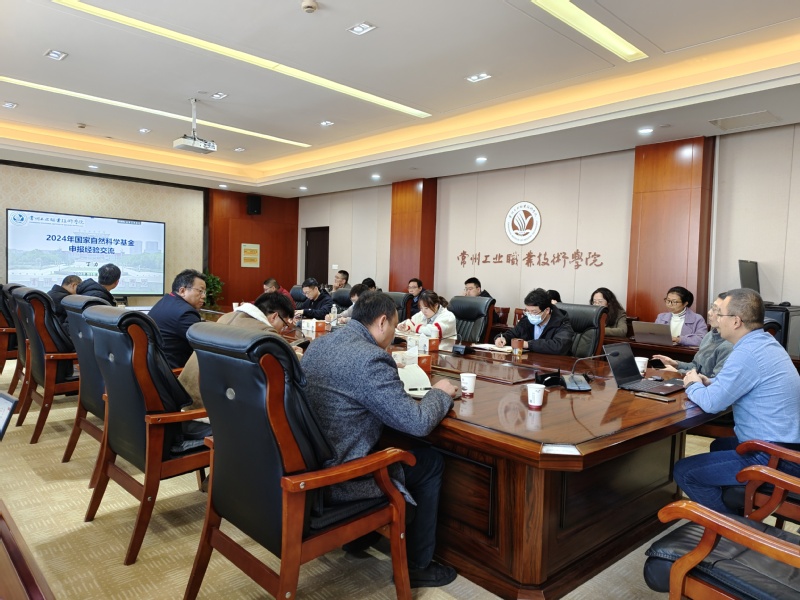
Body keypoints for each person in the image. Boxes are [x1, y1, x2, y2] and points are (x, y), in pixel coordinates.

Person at [302, 291, 458, 588]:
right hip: (338, 478)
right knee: (429, 462)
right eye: (395, 326)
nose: (393, 334)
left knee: (389, 443)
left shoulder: (320, 344)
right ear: (383, 321)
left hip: (312, 463)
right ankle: (417, 566)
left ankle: (360, 537)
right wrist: (439, 392)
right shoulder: (371, 358)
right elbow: (417, 423)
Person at [673, 288, 800, 514]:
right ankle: (736, 506)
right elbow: (743, 382)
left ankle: (730, 525)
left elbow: (712, 404)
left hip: (775, 456)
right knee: (719, 446)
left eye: (719, 313)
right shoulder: (764, 343)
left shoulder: (746, 353)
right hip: (786, 446)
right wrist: (710, 382)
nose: (715, 318)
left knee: (685, 471)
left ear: (736, 321)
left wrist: (692, 383)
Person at [179, 292, 295, 409]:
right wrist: (297, 353)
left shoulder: (226, 317)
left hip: (183, 399)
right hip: (204, 411)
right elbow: (290, 365)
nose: (282, 330)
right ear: (274, 316)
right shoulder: (265, 333)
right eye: (284, 324)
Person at [653, 292, 733, 377]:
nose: (709, 312)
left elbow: (714, 381)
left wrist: (678, 372)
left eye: (715, 309)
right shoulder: (709, 335)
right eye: (711, 307)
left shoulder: (731, 345)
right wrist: (675, 364)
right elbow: (696, 366)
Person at [148, 269, 206, 369]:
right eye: (200, 291)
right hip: (173, 372)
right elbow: (205, 344)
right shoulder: (186, 313)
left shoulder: (166, 300)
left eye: (204, 292)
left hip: (155, 366)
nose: (204, 296)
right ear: (182, 291)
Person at [494, 288, 574, 355]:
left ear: (547, 310)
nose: (530, 315)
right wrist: (502, 338)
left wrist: (528, 344)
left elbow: (559, 346)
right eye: (528, 311)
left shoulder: (561, 322)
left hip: (554, 365)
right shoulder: (527, 319)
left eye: (534, 312)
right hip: (530, 363)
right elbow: (514, 333)